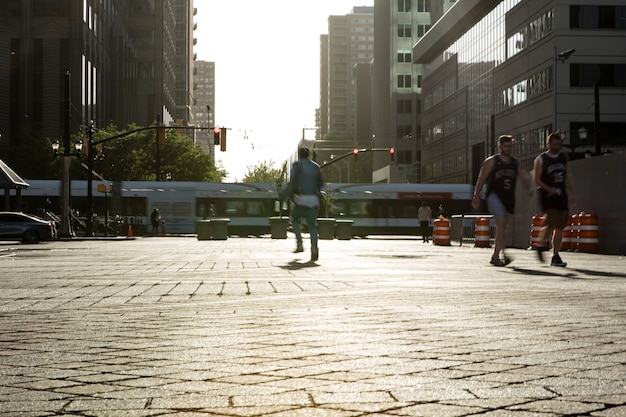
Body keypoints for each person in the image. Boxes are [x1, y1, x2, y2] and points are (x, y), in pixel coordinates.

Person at [472, 134, 532, 266]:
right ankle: (504, 254)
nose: (508, 149)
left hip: (508, 199)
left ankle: (495, 256)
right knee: (501, 223)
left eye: (510, 146)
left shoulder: (515, 162)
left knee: (502, 229)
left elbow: (523, 175)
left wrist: (529, 188)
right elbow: (481, 179)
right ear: (500, 146)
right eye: (505, 146)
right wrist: (476, 195)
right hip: (494, 196)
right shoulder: (492, 161)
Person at [533, 132, 575, 267]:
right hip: (547, 195)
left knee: (560, 226)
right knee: (551, 222)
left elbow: (567, 175)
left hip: (561, 194)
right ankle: (540, 245)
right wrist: (549, 189)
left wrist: (572, 193)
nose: (557, 147)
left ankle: (555, 255)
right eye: (555, 144)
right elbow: (537, 179)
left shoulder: (563, 158)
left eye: (559, 144)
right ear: (549, 144)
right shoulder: (541, 159)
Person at [281, 147, 325, 262]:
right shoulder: (316, 166)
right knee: (312, 225)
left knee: (294, 219)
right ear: (309, 155)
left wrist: (288, 193)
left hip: (301, 198)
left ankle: (299, 243)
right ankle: (314, 248)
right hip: (314, 199)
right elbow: (321, 183)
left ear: (300, 155)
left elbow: (293, 180)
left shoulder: (297, 165)